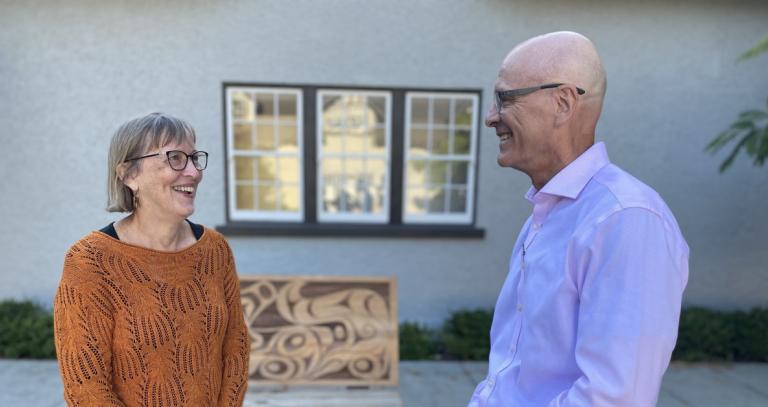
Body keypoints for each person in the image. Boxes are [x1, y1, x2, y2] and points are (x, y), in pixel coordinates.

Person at [469, 32, 689, 406]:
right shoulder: (552, 214)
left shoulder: (626, 220)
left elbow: (615, 398)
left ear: (563, 102)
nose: (492, 117)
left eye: (504, 99)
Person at [54, 113, 250, 406]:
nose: (194, 172)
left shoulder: (214, 250)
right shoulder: (90, 261)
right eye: (175, 158)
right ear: (129, 174)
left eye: (195, 158)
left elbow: (235, 349)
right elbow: (86, 387)